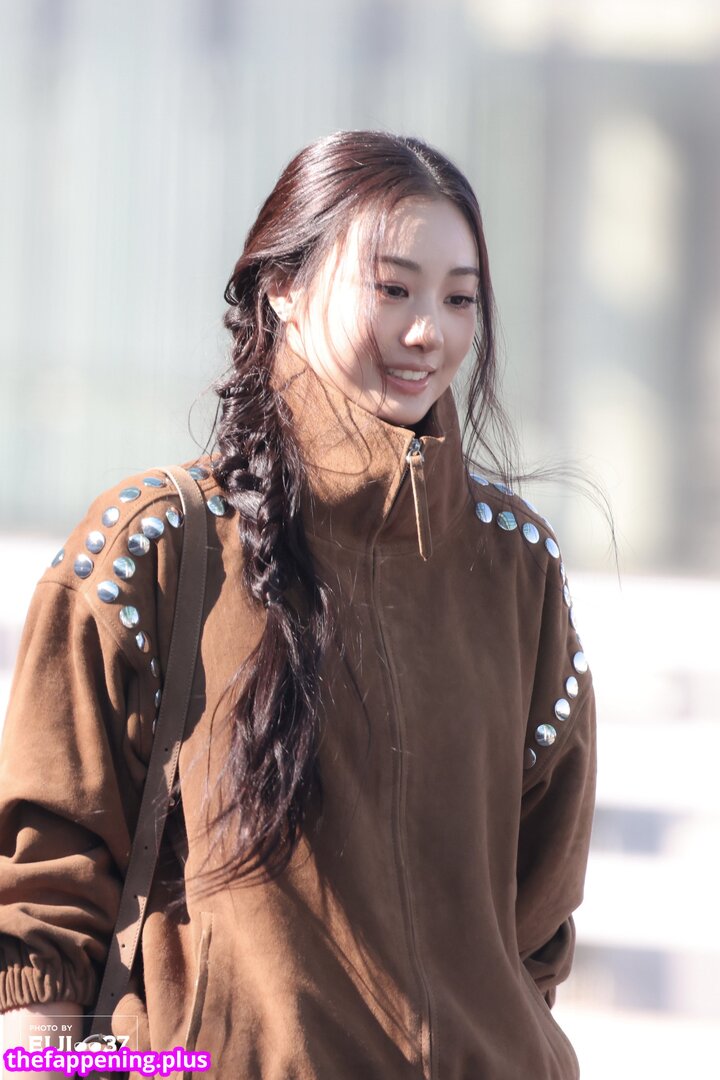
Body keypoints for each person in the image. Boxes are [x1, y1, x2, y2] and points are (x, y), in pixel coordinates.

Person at [0, 130, 596, 1079]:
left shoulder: (516, 568)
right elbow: (44, 889)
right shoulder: (156, 545)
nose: (428, 333)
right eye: (392, 289)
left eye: (459, 299)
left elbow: (536, 916)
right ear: (282, 286)